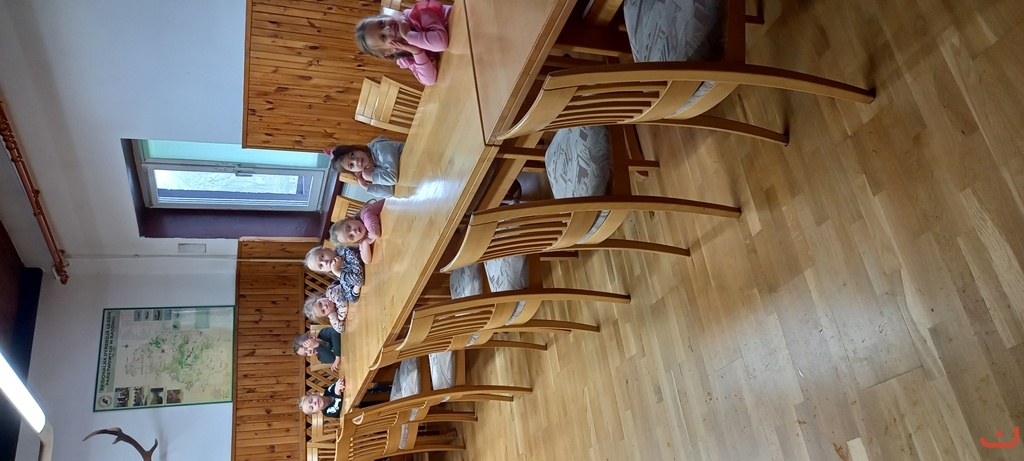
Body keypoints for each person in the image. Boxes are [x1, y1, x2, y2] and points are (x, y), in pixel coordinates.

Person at [354, 0, 451, 85]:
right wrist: (417, 52)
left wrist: (408, 35)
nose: (387, 29)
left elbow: (441, 43)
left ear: (385, 16)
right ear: (389, 51)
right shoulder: (405, 55)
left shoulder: (415, 16)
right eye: (383, 37)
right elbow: (430, 80)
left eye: (382, 23)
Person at [326, 136, 404, 198]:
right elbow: (390, 192)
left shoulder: (380, 148)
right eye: (351, 165)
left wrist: (372, 177)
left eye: (352, 155)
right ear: (354, 172)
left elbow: (393, 178)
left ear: (356, 149)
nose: (356, 161)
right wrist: (366, 186)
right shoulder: (371, 168)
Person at [329, 199, 384, 264]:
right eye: (351, 236)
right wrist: (365, 243)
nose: (353, 231)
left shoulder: (366, 213)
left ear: (350, 218)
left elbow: (375, 233)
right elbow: (367, 260)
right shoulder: (361, 238)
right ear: (354, 241)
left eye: (348, 227)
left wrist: (373, 233)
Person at [299, 378, 391, 416]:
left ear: (316, 393)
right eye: (312, 407)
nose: (314, 403)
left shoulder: (328, 391)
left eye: (311, 400)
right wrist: (337, 392)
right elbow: (337, 407)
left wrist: (340, 384)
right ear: (317, 412)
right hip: (359, 410)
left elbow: (336, 384)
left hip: (358, 396)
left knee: (368, 390)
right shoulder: (327, 412)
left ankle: (387, 388)